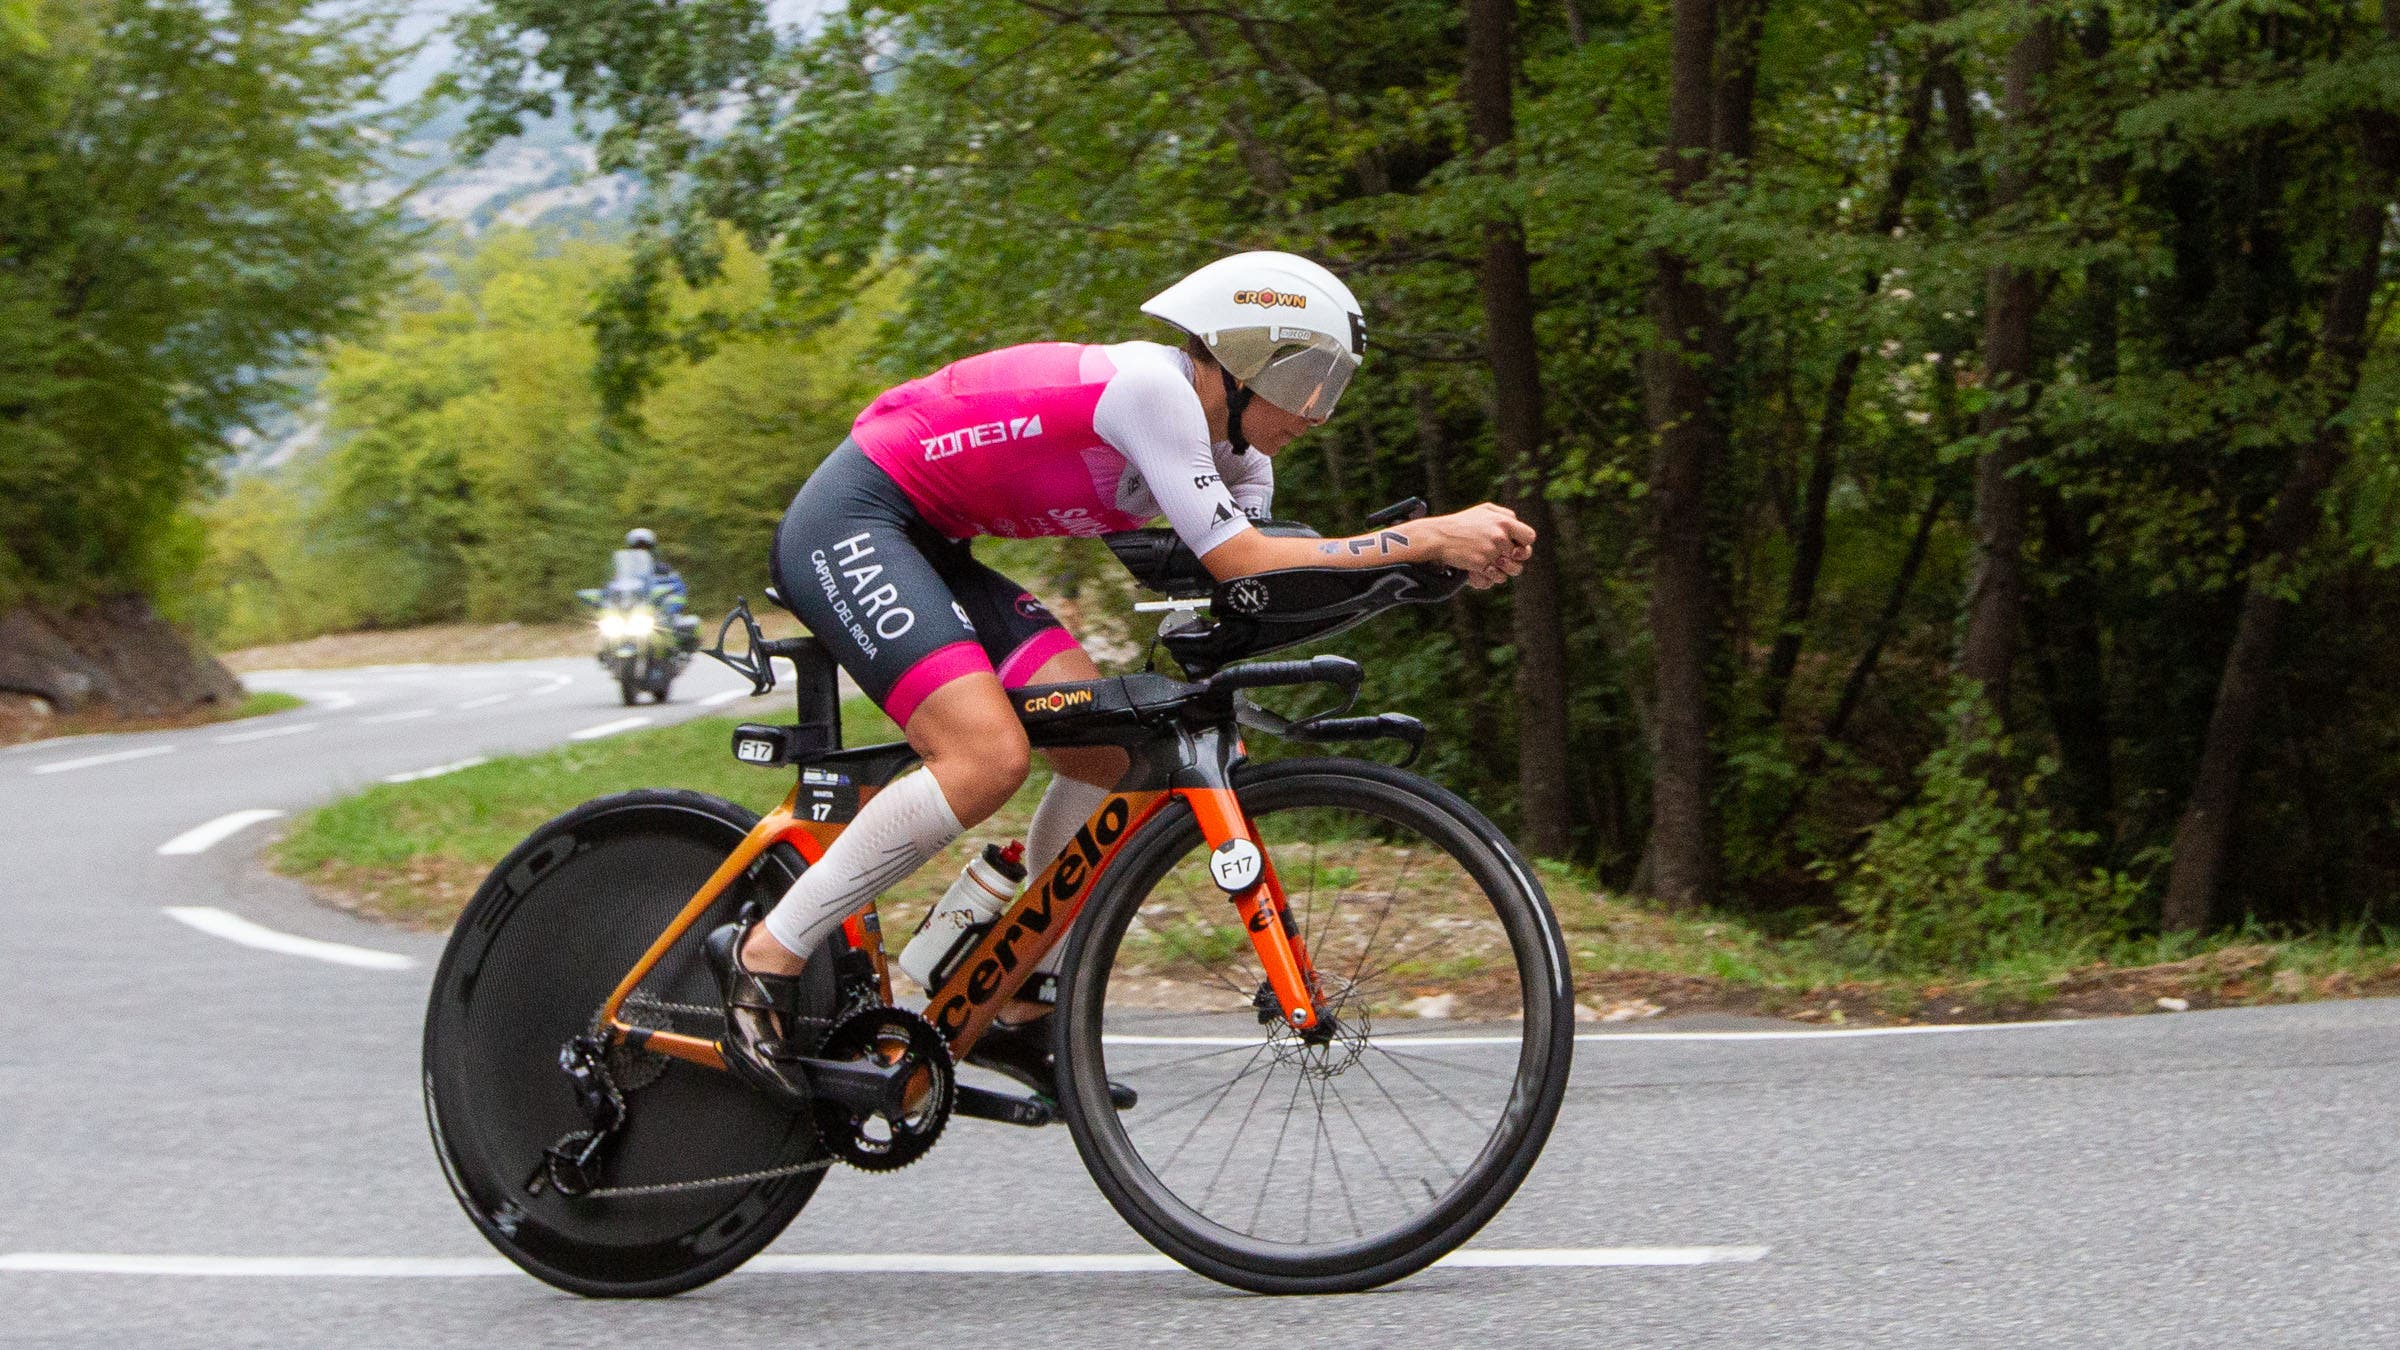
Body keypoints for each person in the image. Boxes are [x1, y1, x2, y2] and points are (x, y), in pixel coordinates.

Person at [708, 251, 1536, 1103]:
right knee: (985, 758)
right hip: (855, 516)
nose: (1318, 412)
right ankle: (764, 955)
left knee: (1120, 762)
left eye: (1334, 388)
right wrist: (1427, 536)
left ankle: (1018, 999)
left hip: (934, 546)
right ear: (1248, 359)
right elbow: (1241, 554)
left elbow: (1252, 591)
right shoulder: (1156, 391)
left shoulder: (1242, 461)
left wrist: (1421, 576)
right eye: (1310, 380)